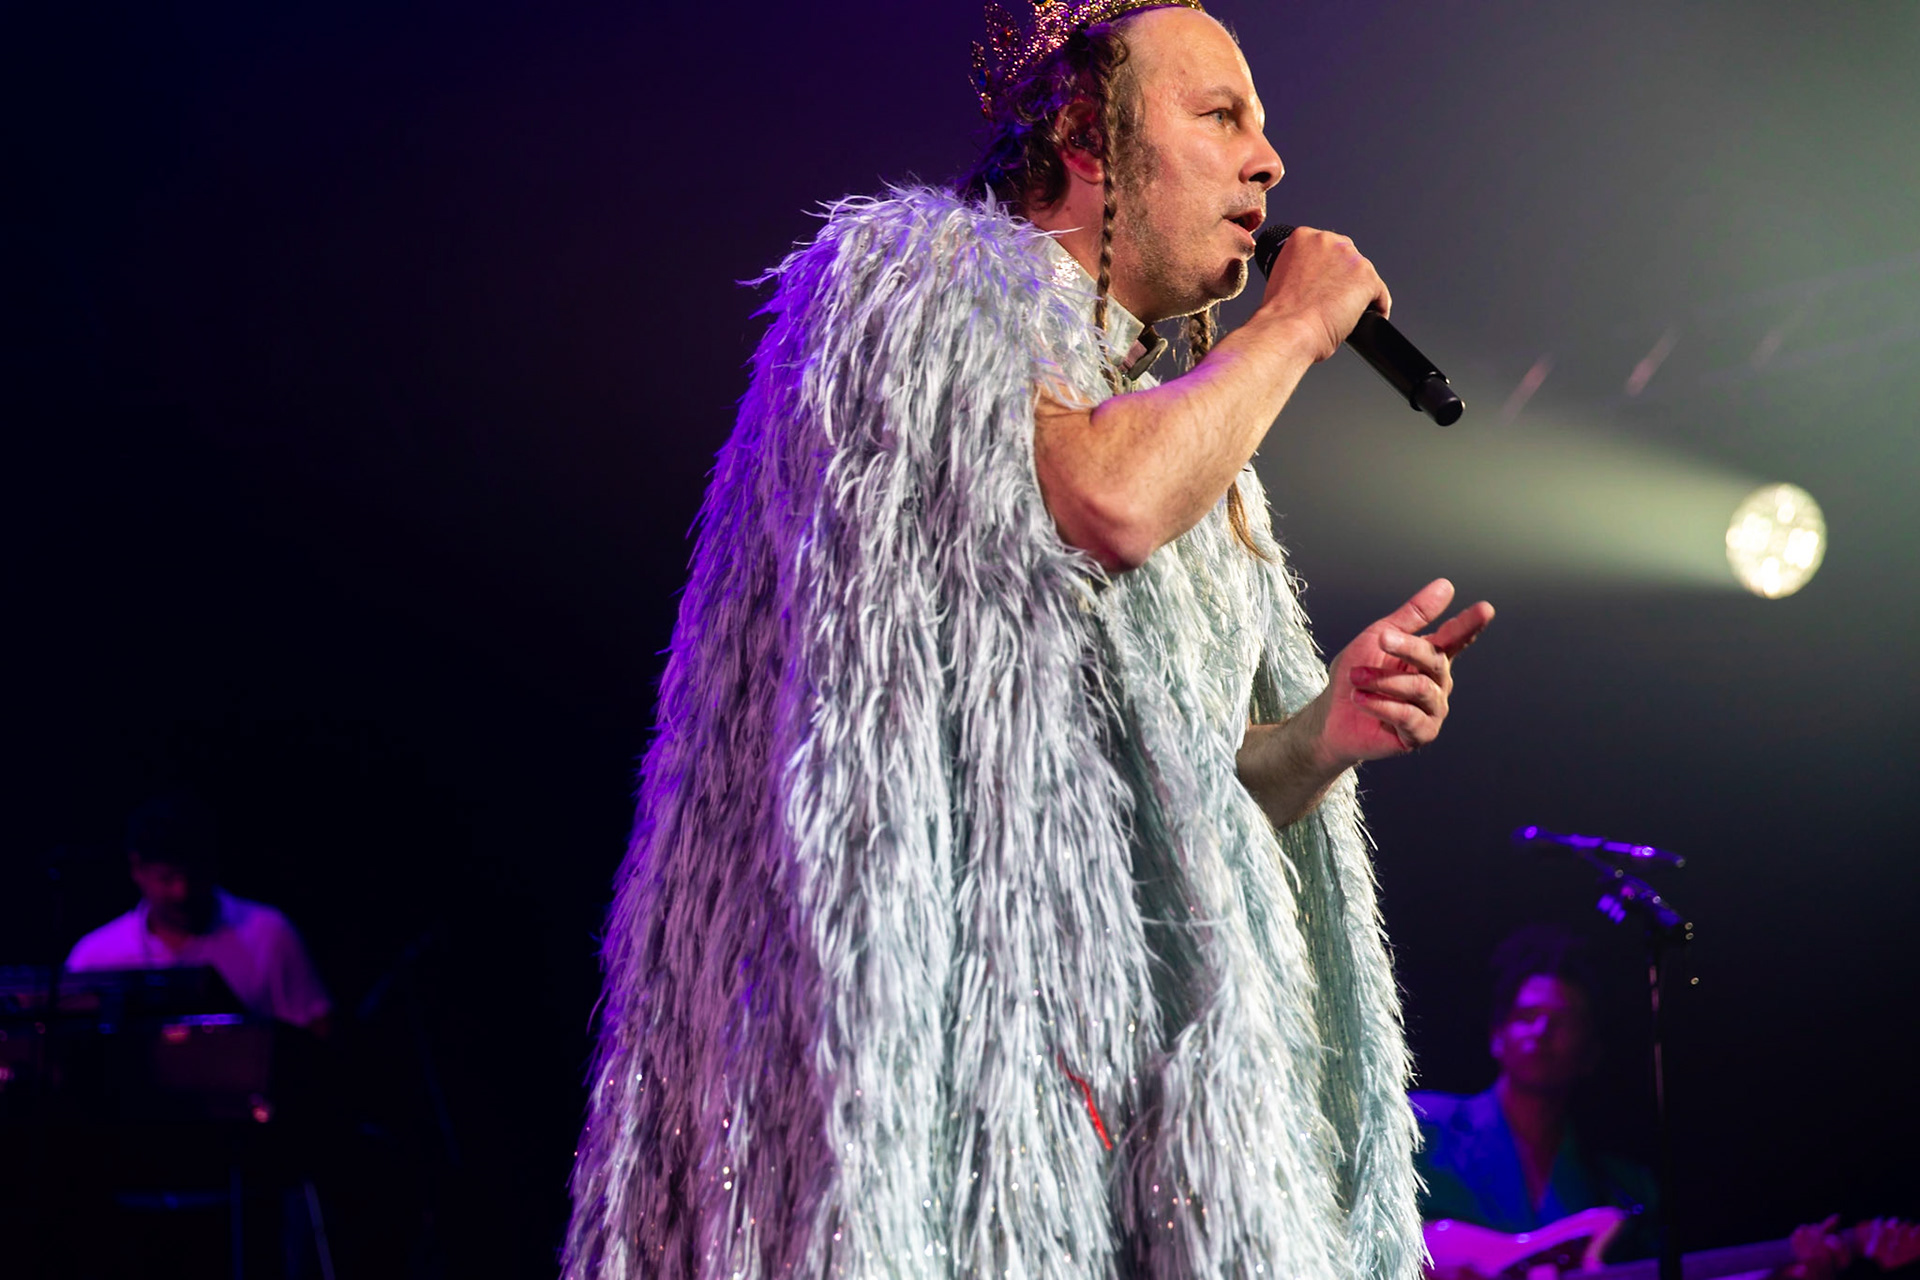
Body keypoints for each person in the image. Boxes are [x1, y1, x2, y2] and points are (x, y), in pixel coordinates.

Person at [565, 2, 1494, 1277]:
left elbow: (1188, 811)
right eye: (1221, 115)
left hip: (1121, 1111)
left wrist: (1322, 732)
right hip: (943, 1078)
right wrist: (1293, 326)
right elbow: (1100, 503)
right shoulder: (921, 285)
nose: (1270, 160)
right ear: (1082, 130)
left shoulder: (1175, 435)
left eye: (1263, 125)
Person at [1412, 926, 1658, 1257]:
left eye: (1563, 1021)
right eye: (1527, 1016)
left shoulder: (1626, 1189)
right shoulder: (1420, 1126)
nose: (1541, 1032)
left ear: (1591, 1052)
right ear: (1497, 1036)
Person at [65, 792, 332, 1033]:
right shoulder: (96, 956)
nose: (182, 892)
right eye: (167, 878)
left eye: (194, 876)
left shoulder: (268, 934)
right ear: (137, 869)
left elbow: (318, 1034)